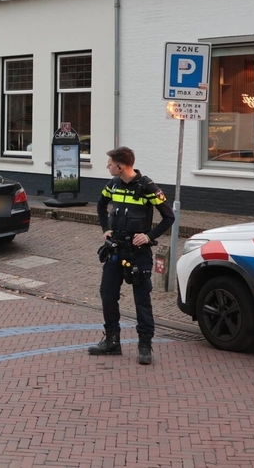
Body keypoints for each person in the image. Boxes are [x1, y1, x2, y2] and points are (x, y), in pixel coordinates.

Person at [89, 146, 175, 365]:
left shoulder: (147, 187)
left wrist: (148, 236)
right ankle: (112, 341)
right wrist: (105, 228)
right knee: (107, 294)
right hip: (115, 249)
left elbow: (168, 217)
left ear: (121, 166)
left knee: (141, 300)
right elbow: (100, 205)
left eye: (109, 163)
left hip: (138, 253)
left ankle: (145, 346)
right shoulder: (113, 185)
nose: (107, 166)